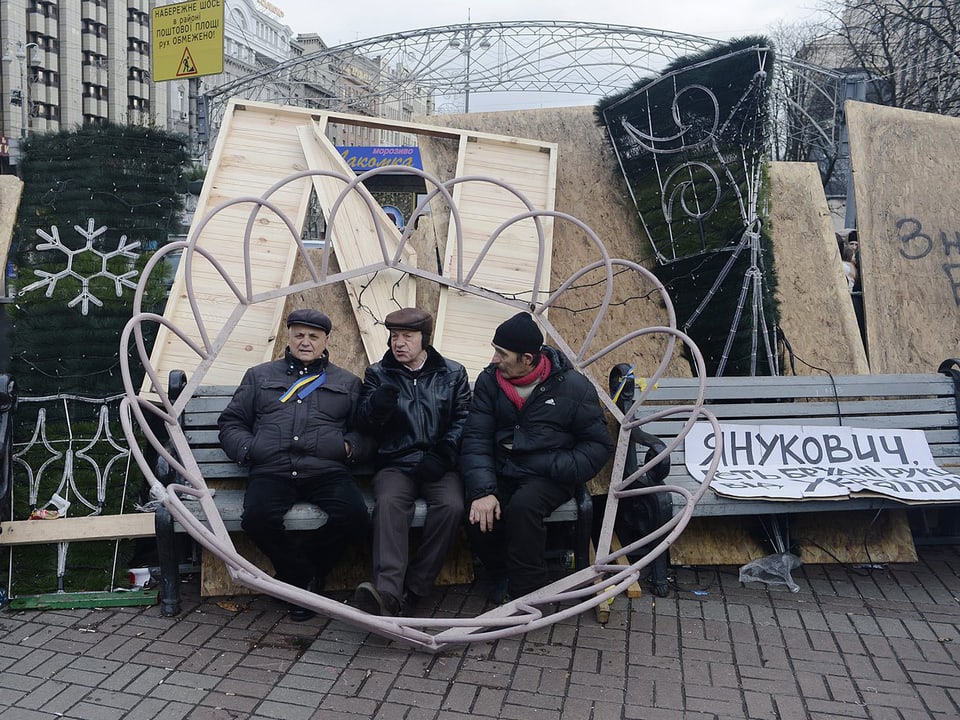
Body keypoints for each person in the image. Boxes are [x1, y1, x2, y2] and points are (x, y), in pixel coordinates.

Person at [217, 308, 372, 621]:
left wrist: (348, 447)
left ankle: (296, 579)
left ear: (326, 340)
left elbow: (365, 431)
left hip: (325, 470)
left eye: (313, 336)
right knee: (257, 519)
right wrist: (249, 448)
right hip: (272, 469)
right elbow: (232, 422)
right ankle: (304, 580)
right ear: (288, 336)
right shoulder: (259, 377)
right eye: (299, 334)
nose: (305, 342)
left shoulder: (347, 382)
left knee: (355, 516)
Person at [460, 311, 615, 603]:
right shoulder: (489, 382)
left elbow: (598, 445)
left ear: (527, 358)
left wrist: (556, 466)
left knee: (523, 508)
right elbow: (475, 438)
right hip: (503, 468)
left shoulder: (573, 387)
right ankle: (501, 574)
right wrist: (483, 490)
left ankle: (528, 592)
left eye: (501, 353)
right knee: (475, 513)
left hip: (550, 475)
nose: (494, 359)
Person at [352, 308, 472, 616]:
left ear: (425, 340)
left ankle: (416, 588)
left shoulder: (452, 373)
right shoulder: (378, 373)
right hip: (396, 462)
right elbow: (364, 424)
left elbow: (463, 420)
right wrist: (377, 407)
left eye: (407, 336)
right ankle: (388, 593)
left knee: (452, 506)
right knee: (390, 504)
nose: (399, 343)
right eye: (394, 337)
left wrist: (444, 453)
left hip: (438, 462)